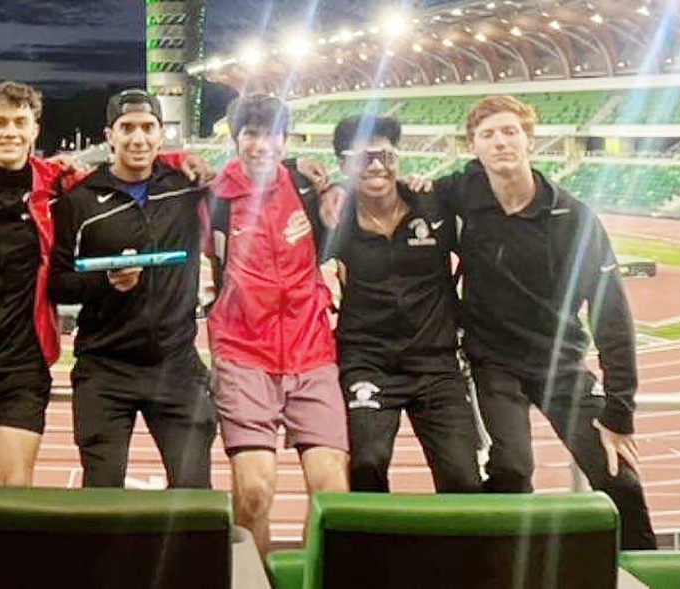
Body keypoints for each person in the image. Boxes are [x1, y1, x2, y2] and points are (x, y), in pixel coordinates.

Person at [0, 81, 208, 555]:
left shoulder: (55, 184)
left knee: (17, 498)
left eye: (20, 122)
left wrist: (175, 161)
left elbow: (135, 168)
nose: (9, 132)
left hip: (23, 365)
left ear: (35, 128)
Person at [410, 95, 656, 549]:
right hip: (494, 364)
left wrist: (620, 411)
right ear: (474, 148)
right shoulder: (461, 193)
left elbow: (613, 318)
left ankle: (648, 573)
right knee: (512, 470)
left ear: (529, 140)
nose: (500, 142)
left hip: (560, 364)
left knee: (619, 477)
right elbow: (403, 196)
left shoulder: (572, 217)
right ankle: (499, 569)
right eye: (488, 135)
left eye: (509, 131)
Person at [49, 88, 217, 489]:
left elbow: (258, 171)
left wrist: (308, 169)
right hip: (105, 369)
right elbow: (57, 284)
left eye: (148, 128)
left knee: (194, 498)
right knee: (102, 496)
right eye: (127, 128)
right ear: (110, 134)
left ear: (161, 135)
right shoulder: (80, 201)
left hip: (175, 365)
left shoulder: (186, 187)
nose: (137, 138)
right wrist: (104, 282)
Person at [206, 94, 349, 556]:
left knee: (333, 493)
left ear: (285, 140)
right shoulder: (212, 197)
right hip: (244, 351)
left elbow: (375, 188)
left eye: (272, 134)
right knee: (253, 492)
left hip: (311, 350)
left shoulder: (310, 190)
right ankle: (255, 579)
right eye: (251, 134)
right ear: (236, 140)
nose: (261, 145)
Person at [327, 115, 481, 494]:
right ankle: (377, 553)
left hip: (436, 364)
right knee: (366, 465)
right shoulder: (333, 220)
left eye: (385, 155)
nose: (377, 165)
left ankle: (460, 553)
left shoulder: (435, 206)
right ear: (343, 165)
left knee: (464, 478)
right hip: (368, 363)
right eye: (363, 157)